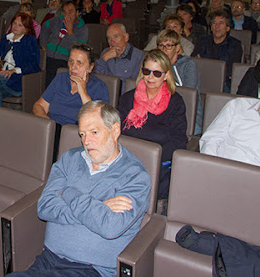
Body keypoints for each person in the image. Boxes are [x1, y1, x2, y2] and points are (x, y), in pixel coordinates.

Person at [11, 101, 150, 277]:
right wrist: (99, 207)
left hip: (91, 269)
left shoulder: (135, 176)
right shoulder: (69, 159)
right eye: (82, 134)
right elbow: (45, 207)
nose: (86, 141)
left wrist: (68, 193)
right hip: (48, 259)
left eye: (94, 132)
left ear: (115, 130)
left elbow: (110, 226)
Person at [117, 49, 187, 198]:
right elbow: (115, 130)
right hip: (125, 161)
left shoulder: (175, 103)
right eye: (146, 71)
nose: (150, 77)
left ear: (166, 75)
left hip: (156, 166)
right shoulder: (128, 98)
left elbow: (179, 140)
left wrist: (151, 157)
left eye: (157, 73)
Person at [33, 43, 109, 127]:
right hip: (53, 128)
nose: (73, 67)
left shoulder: (99, 87)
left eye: (79, 63)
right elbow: (39, 106)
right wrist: (49, 124)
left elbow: (98, 122)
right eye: (71, 61)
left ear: (90, 67)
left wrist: (83, 93)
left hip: (77, 131)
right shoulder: (61, 78)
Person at [0, 13, 40, 107]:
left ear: (26, 29)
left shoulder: (30, 41)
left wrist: (13, 71)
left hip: (18, 80)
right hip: (3, 75)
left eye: (20, 25)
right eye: (14, 23)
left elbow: (34, 65)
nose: (15, 26)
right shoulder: (6, 38)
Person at [155, 29, 203, 134]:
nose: (164, 50)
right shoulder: (155, 65)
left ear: (177, 48)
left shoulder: (188, 65)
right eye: (161, 46)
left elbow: (188, 97)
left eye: (168, 46)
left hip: (187, 113)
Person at [40, 1, 88, 87]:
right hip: (49, 55)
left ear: (77, 13)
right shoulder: (57, 20)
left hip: (65, 59)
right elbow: (45, 26)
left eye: (70, 11)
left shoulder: (82, 28)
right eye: (65, 12)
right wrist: (43, 44)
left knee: (52, 80)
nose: (67, 15)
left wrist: (70, 32)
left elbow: (78, 49)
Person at [192, 10, 243, 93]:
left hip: (223, 82)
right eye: (214, 23)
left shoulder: (235, 45)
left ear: (227, 28)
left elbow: (231, 70)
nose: (217, 26)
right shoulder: (202, 41)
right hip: (201, 77)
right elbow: (194, 60)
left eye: (221, 23)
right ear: (211, 27)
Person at [94, 24, 144, 93]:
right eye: (109, 38)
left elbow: (134, 85)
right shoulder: (105, 53)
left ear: (126, 37)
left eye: (116, 36)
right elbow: (97, 78)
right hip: (104, 93)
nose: (112, 41)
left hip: (125, 95)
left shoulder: (138, 56)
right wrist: (103, 59)